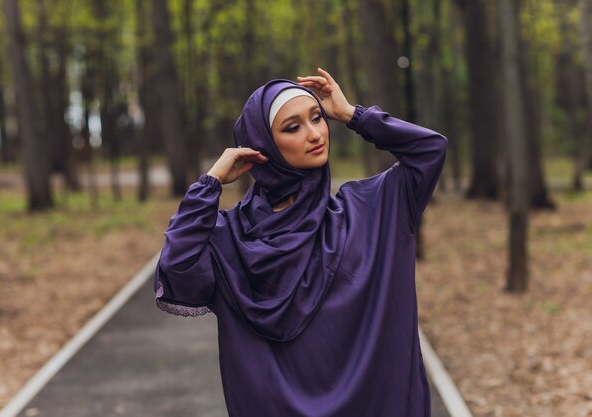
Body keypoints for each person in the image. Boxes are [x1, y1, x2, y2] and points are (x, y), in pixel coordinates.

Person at [154, 68, 447, 417]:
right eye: (293, 127)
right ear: (262, 145)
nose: (315, 134)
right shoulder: (230, 238)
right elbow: (176, 269)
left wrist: (352, 114)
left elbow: (430, 149)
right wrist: (211, 183)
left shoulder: (371, 209)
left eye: (318, 118)